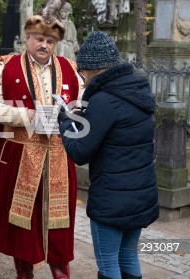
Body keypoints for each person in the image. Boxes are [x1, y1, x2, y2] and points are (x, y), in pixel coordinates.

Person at [0, 0, 82, 279]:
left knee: (60, 226)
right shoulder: (3, 66)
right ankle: (24, 274)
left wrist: (70, 116)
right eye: (38, 39)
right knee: (22, 226)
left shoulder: (71, 70)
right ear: (27, 37)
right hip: (20, 155)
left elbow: (83, 107)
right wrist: (29, 117)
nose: (44, 45)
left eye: (49, 42)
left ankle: (61, 275)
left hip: (60, 157)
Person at [58, 31, 159, 279]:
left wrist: (65, 123)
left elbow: (79, 152)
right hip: (140, 195)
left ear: (93, 70)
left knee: (108, 264)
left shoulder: (104, 100)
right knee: (128, 256)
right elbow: (116, 133)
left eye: (83, 74)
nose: (83, 81)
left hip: (112, 201)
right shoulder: (138, 91)